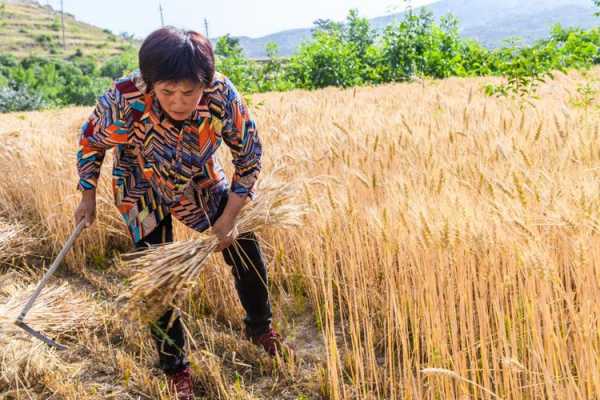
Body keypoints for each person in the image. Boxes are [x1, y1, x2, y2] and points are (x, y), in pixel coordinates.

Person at [74, 26, 281, 400]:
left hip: (198, 179)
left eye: (189, 92)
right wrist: (86, 194)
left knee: (245, 246)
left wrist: (228, 219)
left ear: (205, 82)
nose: (179, 102)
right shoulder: (124, 98)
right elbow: (90, 142)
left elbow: (249, 157)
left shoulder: (221, 96)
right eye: (167, 92)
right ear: (149, 83)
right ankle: (176, 366)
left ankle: (260, 327)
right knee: (159, 276)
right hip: (139, 185)